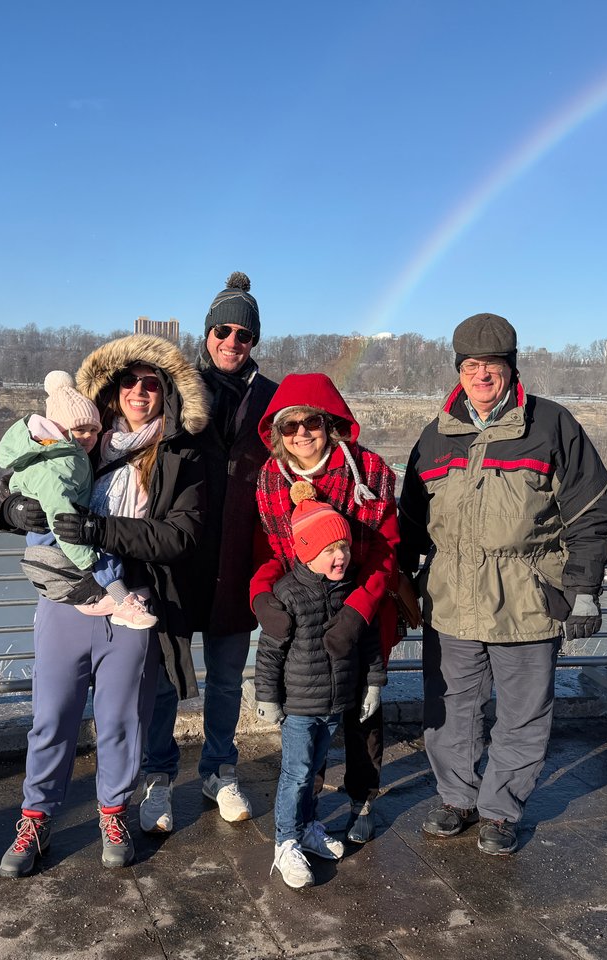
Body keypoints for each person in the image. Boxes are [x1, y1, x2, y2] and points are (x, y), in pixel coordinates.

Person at [397, 313, 607, 857]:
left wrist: (584, 590)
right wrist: (398, 584)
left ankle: (500, 810)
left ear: (511, 368)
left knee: (523, 714)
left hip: (527, 601)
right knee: (450, 711)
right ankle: (457, 799)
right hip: (451, 602)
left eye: (492, 365)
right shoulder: (435, 436)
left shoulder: (551, 425)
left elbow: (591, 511)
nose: (481, 375)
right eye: (471, 365)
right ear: (458, 370)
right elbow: (409, 525)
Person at [0, 334, 208, 877]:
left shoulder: (179, 455)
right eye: (129, 381)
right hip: (66, 600)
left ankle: (114, 813)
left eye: (152, 383)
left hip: (131, 601)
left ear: (166, 393)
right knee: (52, 717)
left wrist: (99, 529)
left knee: (121, 721)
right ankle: (36, 818)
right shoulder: (82, 436)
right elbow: (25, 474)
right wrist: (13, 511)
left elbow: (181, 537)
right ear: (113, 390)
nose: (139, 391)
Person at [139, 271, 278, 831]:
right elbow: (112, 436)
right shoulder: (176, 389)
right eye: (222, 331)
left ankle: (220, 770)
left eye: (243, 334)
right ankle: (157, 776)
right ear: (207, 334)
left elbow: (311, 450)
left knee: (225, 680)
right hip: (176, 557)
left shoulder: (271, 398)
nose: (231, 341)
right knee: (165, 680)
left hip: (238, 559)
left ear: (254, 341)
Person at [250, 373, 399, 844]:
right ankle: (307, 806)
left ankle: (362, 798)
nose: (301, 434)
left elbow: (386, 551)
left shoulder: (368, 472)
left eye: (310, 422)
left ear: (329, 423)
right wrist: (261, 595)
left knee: (363, 714)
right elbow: (270, 552)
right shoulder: (271, 478)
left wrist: (358, 611)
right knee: (306, 711)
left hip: (363, 607)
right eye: (289, 426)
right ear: (277, 433)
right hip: (305, 614)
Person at [254, 485, 384, 888]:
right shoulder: (287, 594)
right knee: (296, 774)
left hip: (334, 702)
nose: (340, 556)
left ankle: (308, 827)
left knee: (312, 772)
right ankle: (285, 842)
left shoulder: (349, 590)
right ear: (307, 552)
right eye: (330, 549)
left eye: (343, 547)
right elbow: (270, 651)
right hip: (298, 706)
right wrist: (267, 697)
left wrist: (373, 684)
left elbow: (367, 642)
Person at [0, 369, 156, 629]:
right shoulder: (64, 462)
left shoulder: (49, 453)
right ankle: (118, 600)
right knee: (101, 553)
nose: (88, 437)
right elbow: (58, 513)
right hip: (60, 542)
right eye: (80, 429)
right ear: (58, 430)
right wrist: (12, 508)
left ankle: (110, 598)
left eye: (94, 430)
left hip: (56, 541)